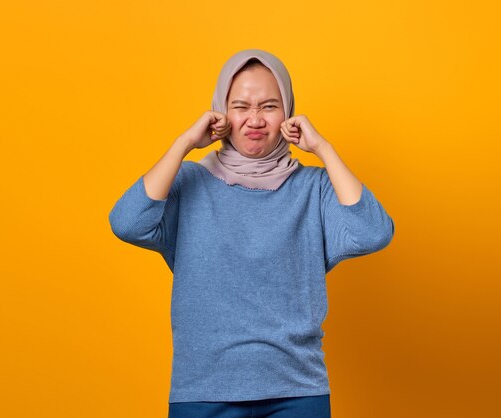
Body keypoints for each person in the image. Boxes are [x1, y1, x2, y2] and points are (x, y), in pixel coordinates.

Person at [109, 49, 395, 418]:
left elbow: (373, 232)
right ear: (221, 114)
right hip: (204, 389)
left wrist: (324, 149)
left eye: (270, 106)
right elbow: (127, 222)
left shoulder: (315, 188)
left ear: (288, 114)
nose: (255, 119)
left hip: (297, 389)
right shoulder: (189, 182)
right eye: (241, 106)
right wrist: (183, 145)